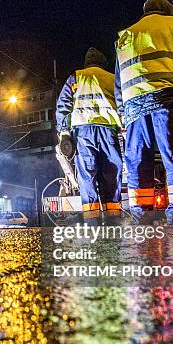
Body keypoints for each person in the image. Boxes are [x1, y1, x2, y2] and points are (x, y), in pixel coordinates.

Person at [114, 0, 173, 223]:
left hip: (133, 109)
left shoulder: (125, 36)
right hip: (167, 100)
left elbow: (119, 81)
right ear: (167, 10)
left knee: (138, 161)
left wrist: (123, 112)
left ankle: (142, 214)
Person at [56, 47, 123, 220]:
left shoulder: (76, 77)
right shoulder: (113, 78)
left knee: (87, 176)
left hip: (84, 133)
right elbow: (123, 102)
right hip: (108, 132)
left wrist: (64, 131)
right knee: (111, 174)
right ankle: (112, 219)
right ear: (103, 63)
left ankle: (92, 220)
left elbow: (63, 105)